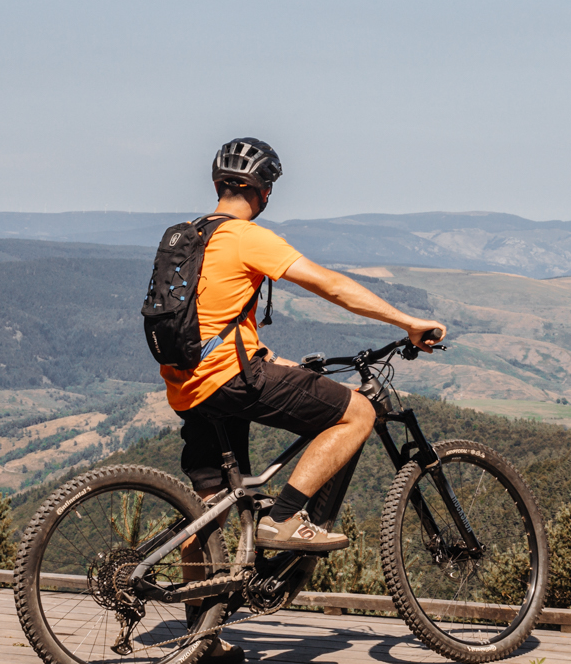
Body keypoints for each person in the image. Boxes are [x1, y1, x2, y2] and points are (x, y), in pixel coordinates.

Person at [162, 138, 445, 558]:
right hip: (230, 379)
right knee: (359, 412)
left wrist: (267, 357)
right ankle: (284, 517)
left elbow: (208, 315)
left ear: (219, 184)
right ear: (265, 191)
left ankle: (198, 618)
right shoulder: (245, 237)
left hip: (187, 385)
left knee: (211, 511)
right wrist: (408, 322)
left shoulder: (188, 236)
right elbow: (331, 285)